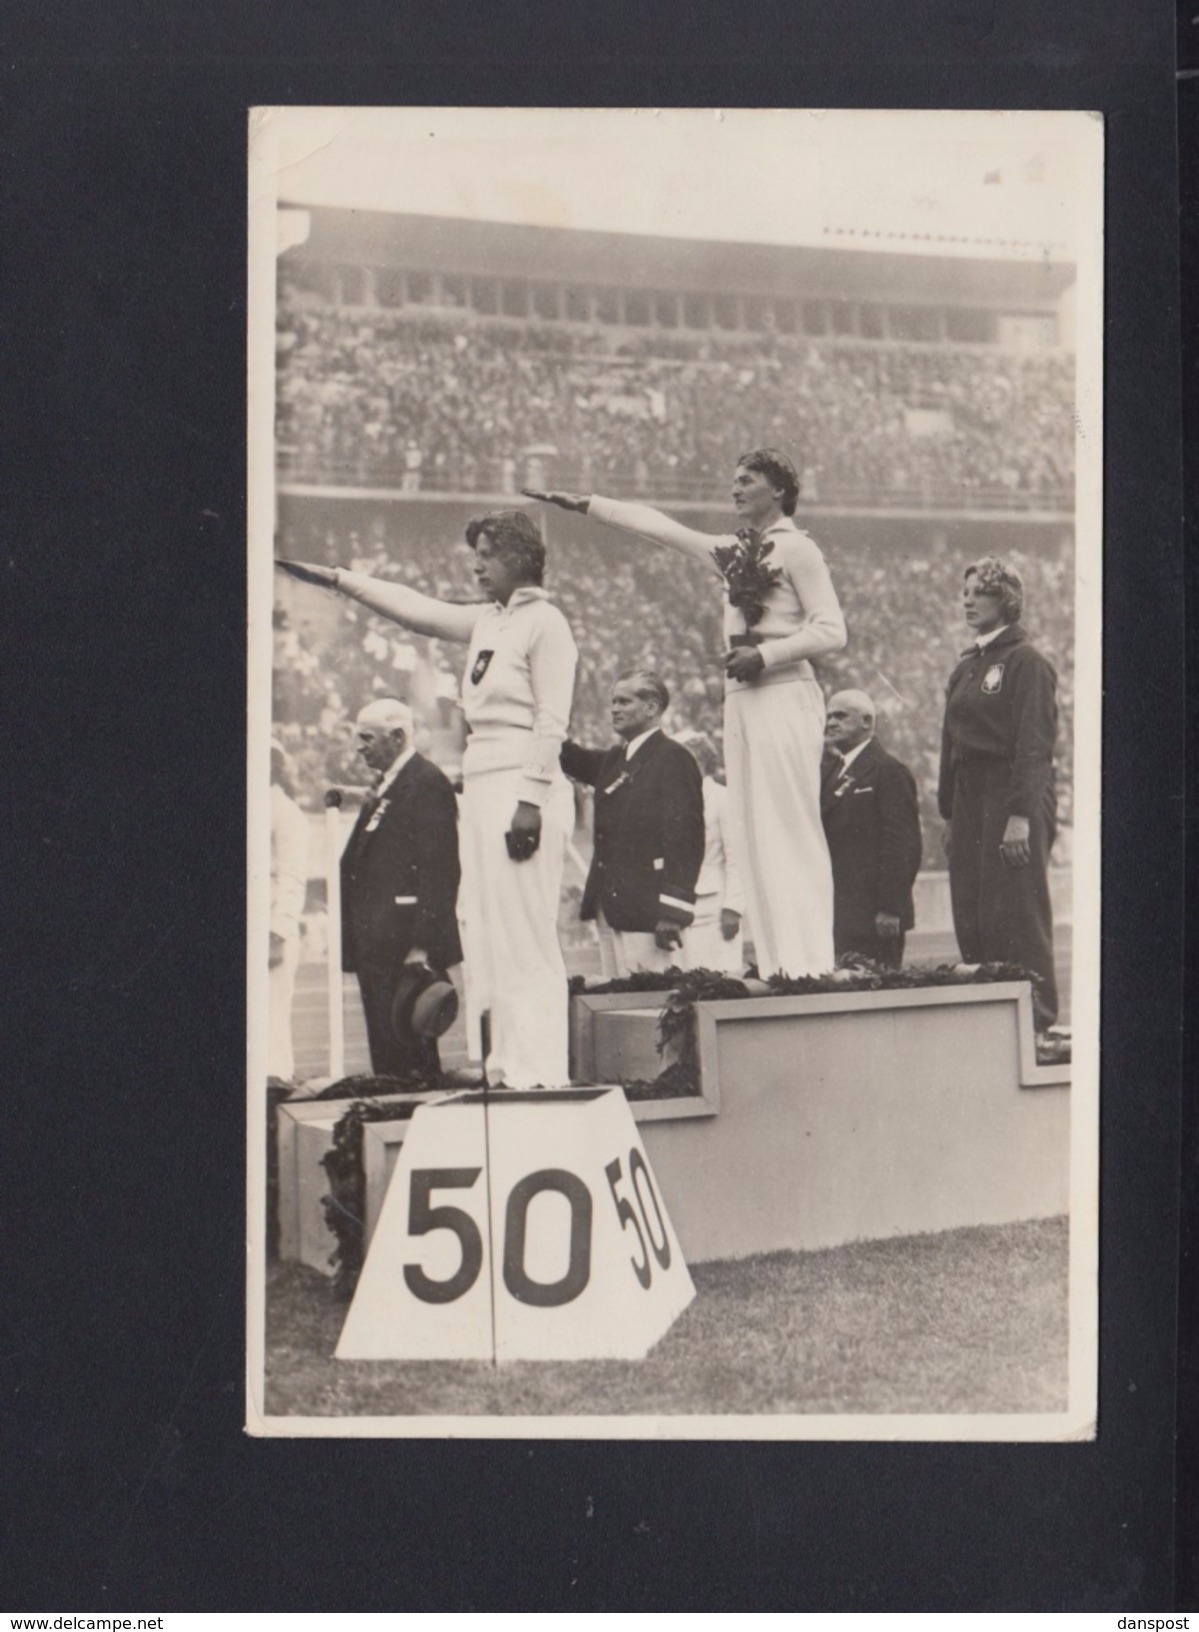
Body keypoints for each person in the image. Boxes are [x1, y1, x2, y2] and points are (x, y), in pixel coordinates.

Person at [278, 510, 578, 1088]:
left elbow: (552, 719)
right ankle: (506, 1068)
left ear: (519, 557)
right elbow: (414, 610)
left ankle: (540, 1073)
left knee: (525, 935)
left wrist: (531, 798)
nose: (476, 564)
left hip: (521, 781)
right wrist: (342, 579)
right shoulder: (489, 623)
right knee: (489, 935)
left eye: (487, 553)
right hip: (485, 779)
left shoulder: (547, 623)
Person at [524, 447, 846, 977]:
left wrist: (766, 654)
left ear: (780, 490)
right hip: (742, 699)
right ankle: (778, 964)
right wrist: (589, 505)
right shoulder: (736, 549)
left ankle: (811, 963)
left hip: (786, 691)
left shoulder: (798, 550)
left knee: (789, 826)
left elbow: (833, 630)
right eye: (733, 478)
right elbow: (663, 530)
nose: (735, 488)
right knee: (751, 830)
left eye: (747, 479)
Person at [937, 557, 1059, 1030]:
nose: (967, 600)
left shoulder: (1027, 662)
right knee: (971, 907)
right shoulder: (967, 665)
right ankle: (992, 1017)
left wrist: (1021, 815)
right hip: (970, 797)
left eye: (979, 592)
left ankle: (1039, 1022)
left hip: (1010, 793)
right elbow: (950, 743)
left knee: (1016, 910)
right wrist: (949, 812)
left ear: (1005, 600)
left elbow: (1035, 744)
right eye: (965, 591)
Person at [340, 699, 463, 1078]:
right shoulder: (391, 783)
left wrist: (423, 944)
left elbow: (440, 871)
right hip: (378, 945)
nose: (358, 746)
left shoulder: (425, 782)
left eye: (366, 738)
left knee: (410, 1055)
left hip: (405, 946)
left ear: (396, 737)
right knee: (388, 1056)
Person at [561, 672, 705, 978]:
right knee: (618, 1004)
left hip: (649, 910)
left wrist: (672, 911)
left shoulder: (674, 758)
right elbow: (569, 758)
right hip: (610, 906)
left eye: (624, 701)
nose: (614, 709)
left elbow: (686, 839)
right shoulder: (615, 759)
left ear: (652, 708)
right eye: (613, 701)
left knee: (651, 1006)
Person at [820, 689, 922, 968]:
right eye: (828, 716)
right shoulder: (830, 772)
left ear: (866, 722)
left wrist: (890, 908)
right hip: (839, 913)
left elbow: (903, 844)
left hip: (875, 918)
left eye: (840, 716)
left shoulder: (888, 770)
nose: (831, 723)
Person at [674, 731, 744, 975]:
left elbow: (737, 858)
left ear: (700, 760)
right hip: (678, 906)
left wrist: (734, 908)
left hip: (715, 907)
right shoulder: (671, 800)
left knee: (718, 980)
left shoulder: (723, 798)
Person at [268, 740, 310, 1082]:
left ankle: (275, 1089)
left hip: (270, 928)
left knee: (272, 1017)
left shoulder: (285, 811)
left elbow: (293, 878)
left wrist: (277, 932)